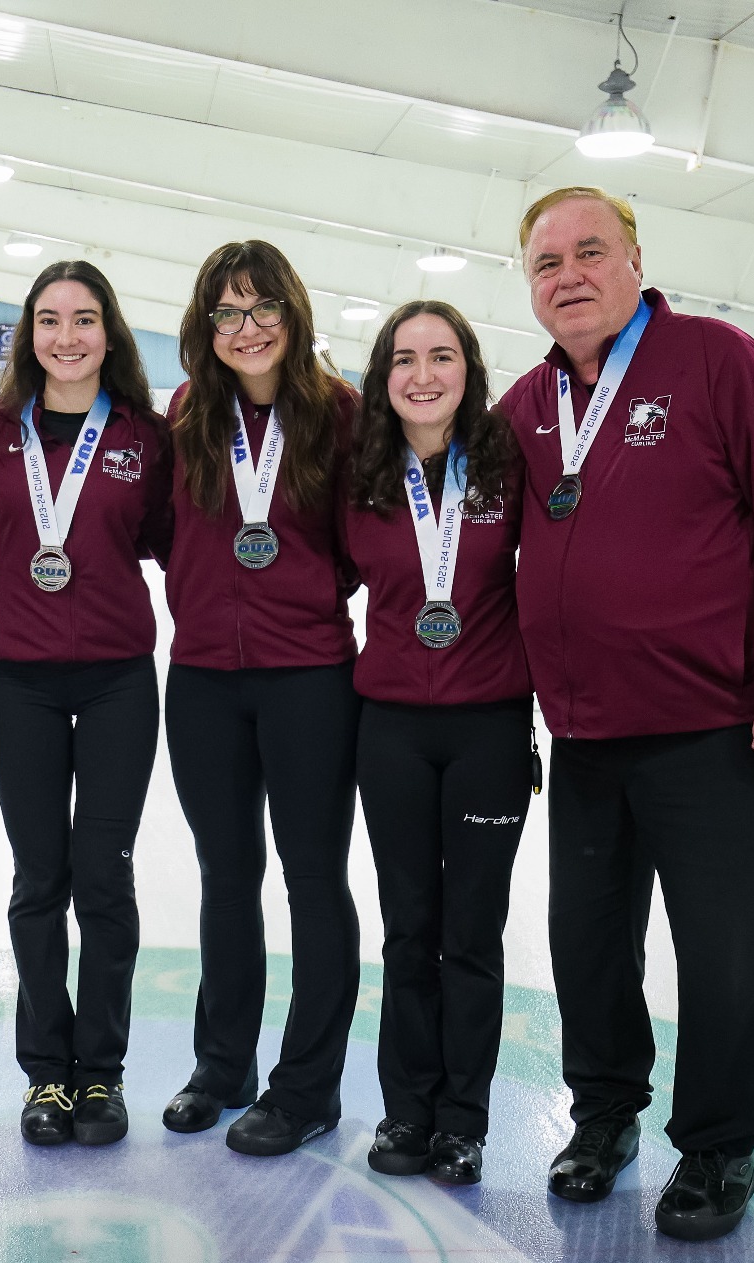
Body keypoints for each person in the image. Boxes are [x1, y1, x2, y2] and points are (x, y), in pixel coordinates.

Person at [500, 186, 754, 1240]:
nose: (567, 274)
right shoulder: (524, 403)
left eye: (587, 251)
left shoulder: (713, 359)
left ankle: (713, 1149)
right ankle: (602, 1118)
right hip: (587, 734)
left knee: (721, 952)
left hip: (713, 727)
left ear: (633, 259)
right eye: (544, 262)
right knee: (587, 946)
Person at [0, 261, 170, 1147]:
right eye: (49, 320)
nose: (66, 337)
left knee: (104, 876)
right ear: (26, 335)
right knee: (39, 879)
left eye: (83, 320)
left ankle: (102, 1072)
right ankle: (46, 1073)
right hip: (26, 682)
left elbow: (166, 538)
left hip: (120, 680)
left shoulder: (145, 435)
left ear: (109, 332)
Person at [155, 239, 363, 1157]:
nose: (247, 329)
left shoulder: (340, 414)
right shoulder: (189, 412)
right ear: (208, 328)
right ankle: (222, 1064)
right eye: (228, 313)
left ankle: (307, 1085)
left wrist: (296, 605)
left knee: (314, 878)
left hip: (310, 675)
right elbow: (167, 534)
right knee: (225, 874)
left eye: (263, 308)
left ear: (294, 313)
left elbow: (364, 544)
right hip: (202, 675)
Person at [339, 301, 534, 1186]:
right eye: (406, 358)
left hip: (488, 723)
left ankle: (464, 1120)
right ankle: (405, 1111)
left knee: (473, 933)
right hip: (391, 728)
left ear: (469, 368)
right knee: (408, 930)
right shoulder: (362, 473)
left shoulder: (506, 464)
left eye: (442, 355)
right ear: (383, 376)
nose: (424, 374)